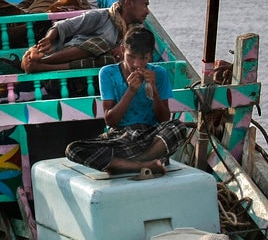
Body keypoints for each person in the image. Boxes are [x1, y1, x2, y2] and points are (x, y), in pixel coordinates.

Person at [64, 26, 191, 174]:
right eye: (131, 56)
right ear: (123, 50)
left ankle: (129, 162)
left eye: (143, 58)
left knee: (178, 128)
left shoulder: (159, 73)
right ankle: (139, 165)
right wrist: (130, 91)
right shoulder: (108, 73)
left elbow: (164, 119)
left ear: (150, 56)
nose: (137, 64)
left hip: (149, 136)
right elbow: (110, 121)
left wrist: (154, 89)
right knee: (73, 149)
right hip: (121, 137)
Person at [22, 0, 151, 73]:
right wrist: (49, 39)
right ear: (128, 3)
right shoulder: (101, 16)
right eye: (144, 5)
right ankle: (45, 61)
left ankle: (43, 66)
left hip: (87, 76)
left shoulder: (136, 32)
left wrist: (123, 49)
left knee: (109, 59)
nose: (147, 11)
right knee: (102, 44)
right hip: (64, 62)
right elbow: (63, 26)